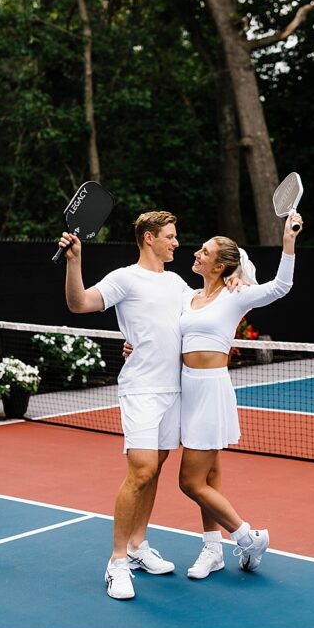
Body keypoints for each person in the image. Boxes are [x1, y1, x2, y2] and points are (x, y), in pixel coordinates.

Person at [59, 211, 187, 601]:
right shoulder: (124, 278)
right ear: (149, 238)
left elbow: (196, 318)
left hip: (175, 391)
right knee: (141, 470)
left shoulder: (178, 282)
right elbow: (79, 303)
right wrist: (75, 261)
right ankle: (116, 562)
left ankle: (137, 546)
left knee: (156, 468)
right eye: (170, 236)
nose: (176, 243)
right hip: (141, 390)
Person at [175, 211, 302, 579]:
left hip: (212, 390)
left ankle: (248, 536)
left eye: (205, 252)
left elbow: (281, 286)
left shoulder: (236, 296)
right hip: (186, 389)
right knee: (209, 477)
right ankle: (212, 550)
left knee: (190, 482)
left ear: (221, 265)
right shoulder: (189, 297)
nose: (196, 254)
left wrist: (288, 241)